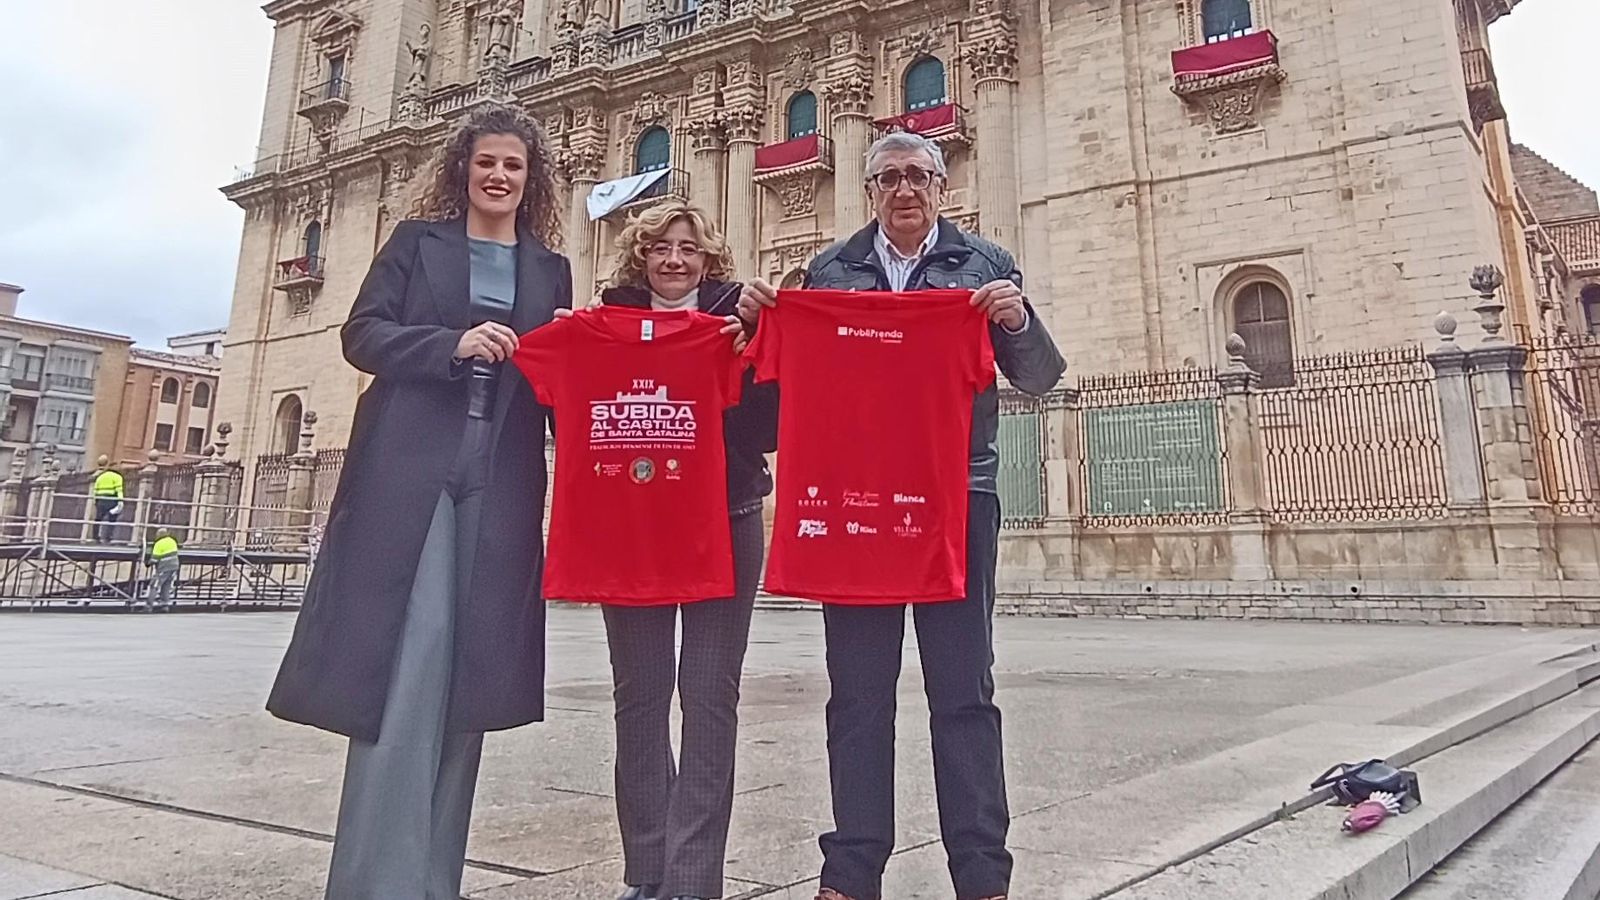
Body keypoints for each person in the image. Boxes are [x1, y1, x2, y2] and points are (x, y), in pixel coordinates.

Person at [737, 131, 1066, 900]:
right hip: (855, 502)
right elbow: (788, 402)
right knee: (856, 690)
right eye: (888, 177)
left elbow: (1043, 376)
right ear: (869, 192)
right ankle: (850, 873)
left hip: (956, 498)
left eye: (919, 174)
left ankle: (983, 877)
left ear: (942, 186)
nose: (905, 189)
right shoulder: (829, 271)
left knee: (964, 689)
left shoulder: (985, 267)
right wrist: (761, 333)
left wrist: (1015, 321)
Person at [265, 103, 572, 900]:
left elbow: (555, 381)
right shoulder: (414, 245)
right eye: (486, 163)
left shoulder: (549, 270)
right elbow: (361, 335)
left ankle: (434, 877)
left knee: (469, 671)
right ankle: (377, 879)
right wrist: (450, 345)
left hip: (500, 477)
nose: (499, 176)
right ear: (462, 170)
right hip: (412, 468)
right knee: (414, 658)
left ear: (530, 177)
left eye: (514, 165)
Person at [574, 202, 775, 900]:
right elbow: (570, 410)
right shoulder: (604, 324)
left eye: (688, 248)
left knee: (709, 697)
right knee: (640, 695)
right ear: (640, 257)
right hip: (634, 526)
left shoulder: (736, 317)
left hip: (728, 516)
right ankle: (646, 870)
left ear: (707, 258)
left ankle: (692, 880)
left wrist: (752, 346)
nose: (674, 260)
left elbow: (770, 426)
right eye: (660, 247)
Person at [146, 528, 180, 611]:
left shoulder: (159, 543)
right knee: (166, 586)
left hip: (164, 567)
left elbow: (155, 558)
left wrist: (148, 563)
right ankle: (165, 606)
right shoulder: (172, 541)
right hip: (174, 566)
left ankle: (148, 606)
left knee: (154, 585)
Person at [91, 456, 124, 543]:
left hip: (100, 499)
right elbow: (119, 490)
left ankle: (95, 537)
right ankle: (108, 537)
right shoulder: (117, 477)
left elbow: (95, 489)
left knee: (98, 518)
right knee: (112, 519)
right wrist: (120, 501)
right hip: (111, 499)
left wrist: (95, 500)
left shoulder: (101, 477)